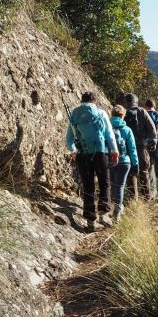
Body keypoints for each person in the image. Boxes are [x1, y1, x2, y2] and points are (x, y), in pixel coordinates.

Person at [65, 92, 118, 231]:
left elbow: (69, 139)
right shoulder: (101, 113)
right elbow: (109, 134)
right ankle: (103, 211)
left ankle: (90, 221)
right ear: (94, 100)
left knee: (88, 186)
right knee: (104, 182)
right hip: (100, 153)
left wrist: (74, 150)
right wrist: (114, 151)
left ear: (82, 101)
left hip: (83, 155)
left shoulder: (74, 114)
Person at [122, 93, 158, 199]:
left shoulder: (124, 112)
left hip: (127, 147)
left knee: (131, 172)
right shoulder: (142, 111)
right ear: (136, 101)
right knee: (143, 171)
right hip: (141, 146)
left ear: (126, 102)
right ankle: (147, 196)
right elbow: (152, 127)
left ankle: (133, 198)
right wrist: (153, 142)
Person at [108, 104, 138, 219]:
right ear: (123, 116)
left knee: (112, 185)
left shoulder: (108, 128)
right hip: (125, 162)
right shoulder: (127, 130)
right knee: (120, 186)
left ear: (112, 114)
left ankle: (112, 207)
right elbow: (132, 149)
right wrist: (135, 164)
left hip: (110, 161)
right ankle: (118, 211)